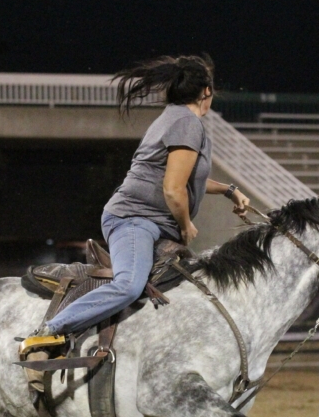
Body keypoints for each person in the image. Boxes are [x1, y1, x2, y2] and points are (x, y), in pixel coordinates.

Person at [26, 54, 250, 348]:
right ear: (206, 91)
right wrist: (186, 226)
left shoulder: (175, 118)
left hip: (149, 222)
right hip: (135, 220)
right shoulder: (186, 123)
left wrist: (229, 190)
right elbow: (173, 189)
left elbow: (184, 178)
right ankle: (48, 331)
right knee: (129, 286)